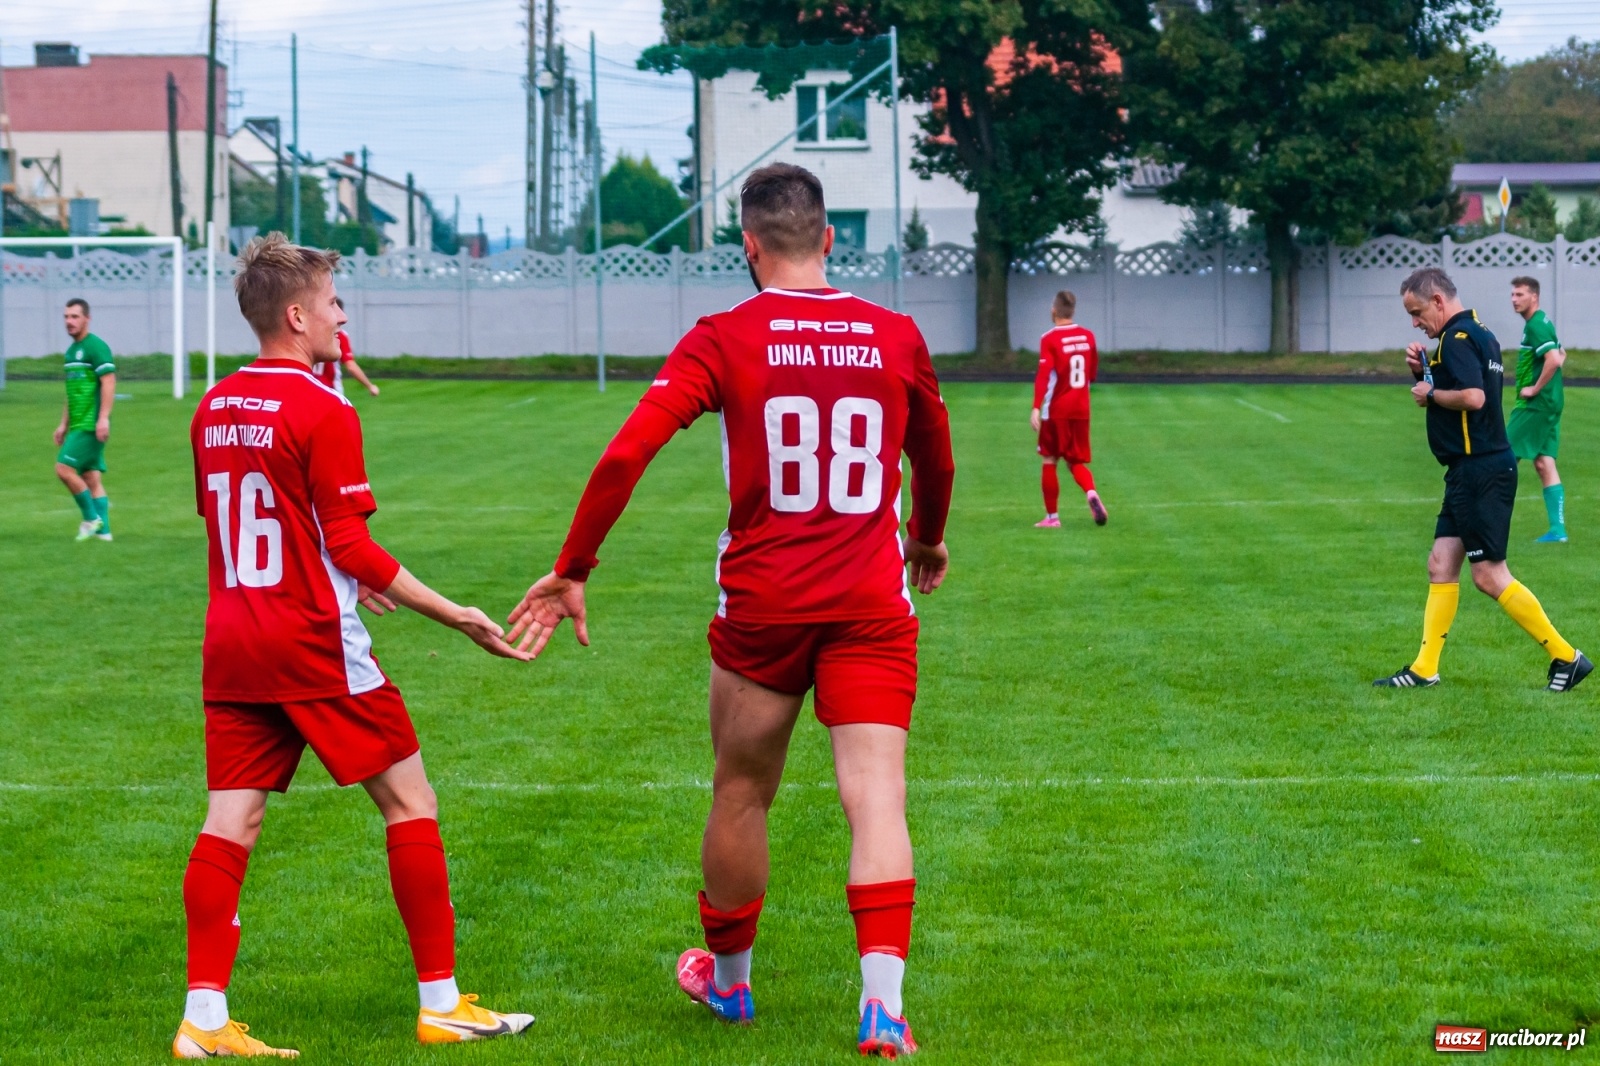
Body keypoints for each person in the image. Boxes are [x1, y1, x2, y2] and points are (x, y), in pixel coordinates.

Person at [507, 163, 955, 1057]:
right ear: (829, 240)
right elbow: (935, 458)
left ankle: (733, 986)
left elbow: (626, 454)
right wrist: (926, 536)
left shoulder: (724, 335)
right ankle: (883, 1009)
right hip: (869, 599)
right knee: (877, 800)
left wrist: (573, 566)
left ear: (747, 246)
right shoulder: (895, 334)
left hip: (763, 605)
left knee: (743, 789)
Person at [176, 234, 534, 1058]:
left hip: (233, 642)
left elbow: (241, 529)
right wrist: (458, 614)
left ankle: (201, 1021)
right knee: (411, 805)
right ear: (297, 316)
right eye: (335, 303)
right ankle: (442, 1005)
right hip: (312, 645)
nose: (344, 316)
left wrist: (340, 568)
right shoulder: (325, 407)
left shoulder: (212, 406)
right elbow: (351, 547)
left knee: (230, 821)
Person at [1373, 267, 1589, 693]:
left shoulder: (1455, 340)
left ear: (1437, 301)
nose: (1415, 322)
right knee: (1440, 564)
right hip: (1469, 470)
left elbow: (1473, 397)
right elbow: (1466, 387)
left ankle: (1567, 656)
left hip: (1480, 471)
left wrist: (1428, 393)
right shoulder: (1479, 332)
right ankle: (1424, 668)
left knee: (1489, 576)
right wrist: (1424, 374)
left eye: (1417, 312)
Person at [1030, 290, 1106, 527]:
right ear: (1072, 311)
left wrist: (1035, 407)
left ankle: (1052, 518)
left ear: (1054, 311)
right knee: (1075, 462)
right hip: (1081, 409)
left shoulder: (1049, 339)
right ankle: (1091, 492)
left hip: (1057, 410)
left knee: (1049, 459)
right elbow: (1092, 372)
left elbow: (1043, 376)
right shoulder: (1088, 336)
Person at [1507, 276, 1567, 543]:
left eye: (1520, 294)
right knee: (1544, 462)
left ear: (1534, 296)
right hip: (1551, 402)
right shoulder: (1541, 321)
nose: (1514, 299)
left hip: (1536, 405)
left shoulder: (1535, 325)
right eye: (1513, 294)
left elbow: (1553, 359)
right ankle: (1558, 531)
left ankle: (1483, 521)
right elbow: (1559, 353)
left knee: (1503, 456)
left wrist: (1533, 388)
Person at [53, 298, 116, 541]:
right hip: (78, 424)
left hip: (91, 424)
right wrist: (63, 424)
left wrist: (103, 419)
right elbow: (72, 392)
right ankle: (105, 534)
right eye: (66, 317)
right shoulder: (70, 352)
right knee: (90, 477)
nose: (69, 321)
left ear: (87, 319)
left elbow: (108, 381)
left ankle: (91, 518)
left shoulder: (96, 347)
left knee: (63, 469)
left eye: (75, 317)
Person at [312, 298, 380, 396]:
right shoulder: (340, 336)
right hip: (331, 390)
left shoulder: (309, 334)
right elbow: (350, 366)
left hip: (309, 389)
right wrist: (370, 386)